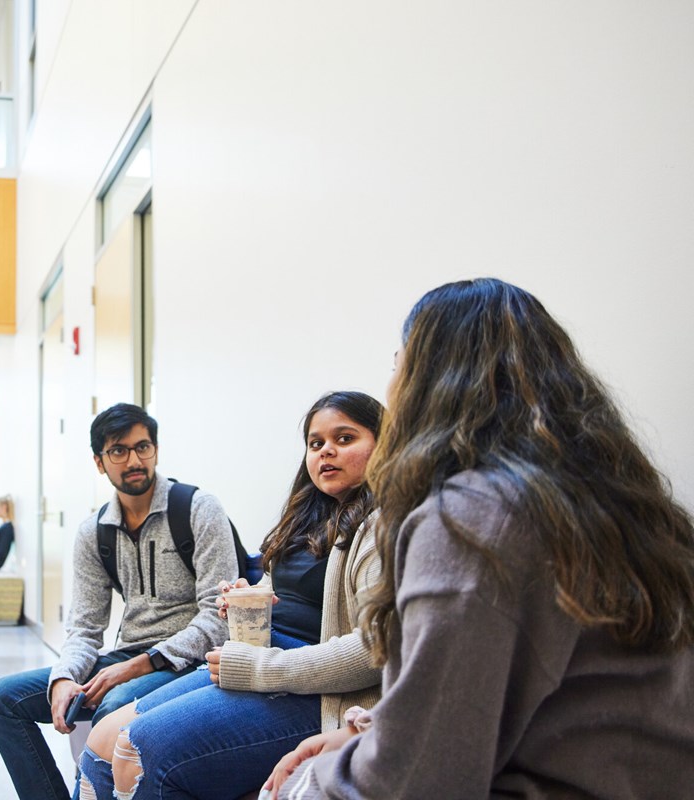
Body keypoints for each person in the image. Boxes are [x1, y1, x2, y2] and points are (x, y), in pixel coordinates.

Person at [265, 278, 694, 799]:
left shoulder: (467, 520)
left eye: (399, 365)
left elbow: (419, 780)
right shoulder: (623, 503)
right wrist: (365, 734)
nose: (393, 382)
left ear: (428, 386)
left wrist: (302, 786)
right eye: (316, 443)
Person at [75, 391, 385, 800]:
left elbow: (373, 650)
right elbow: (290, 594)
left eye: (344, 439)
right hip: (253, 655)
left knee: (137, 748)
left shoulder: (384, 524)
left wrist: (261, 667)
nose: (326, 451)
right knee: (99, 741)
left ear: (384, 444)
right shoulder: (312, 516)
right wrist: (252, 597)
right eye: (315, 443)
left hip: (313, 685)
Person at [0, 402, 239, 800]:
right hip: (127, 658)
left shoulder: (198, 509)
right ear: (100, 462)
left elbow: (218, 617)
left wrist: (139, 666)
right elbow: (84, 627)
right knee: (0, 700)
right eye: (119, 450)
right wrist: (65, 676)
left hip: (190, 662)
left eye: (143, 447)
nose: (134, 460)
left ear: (155, 450)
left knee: (113, 703)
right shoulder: (94, 532)